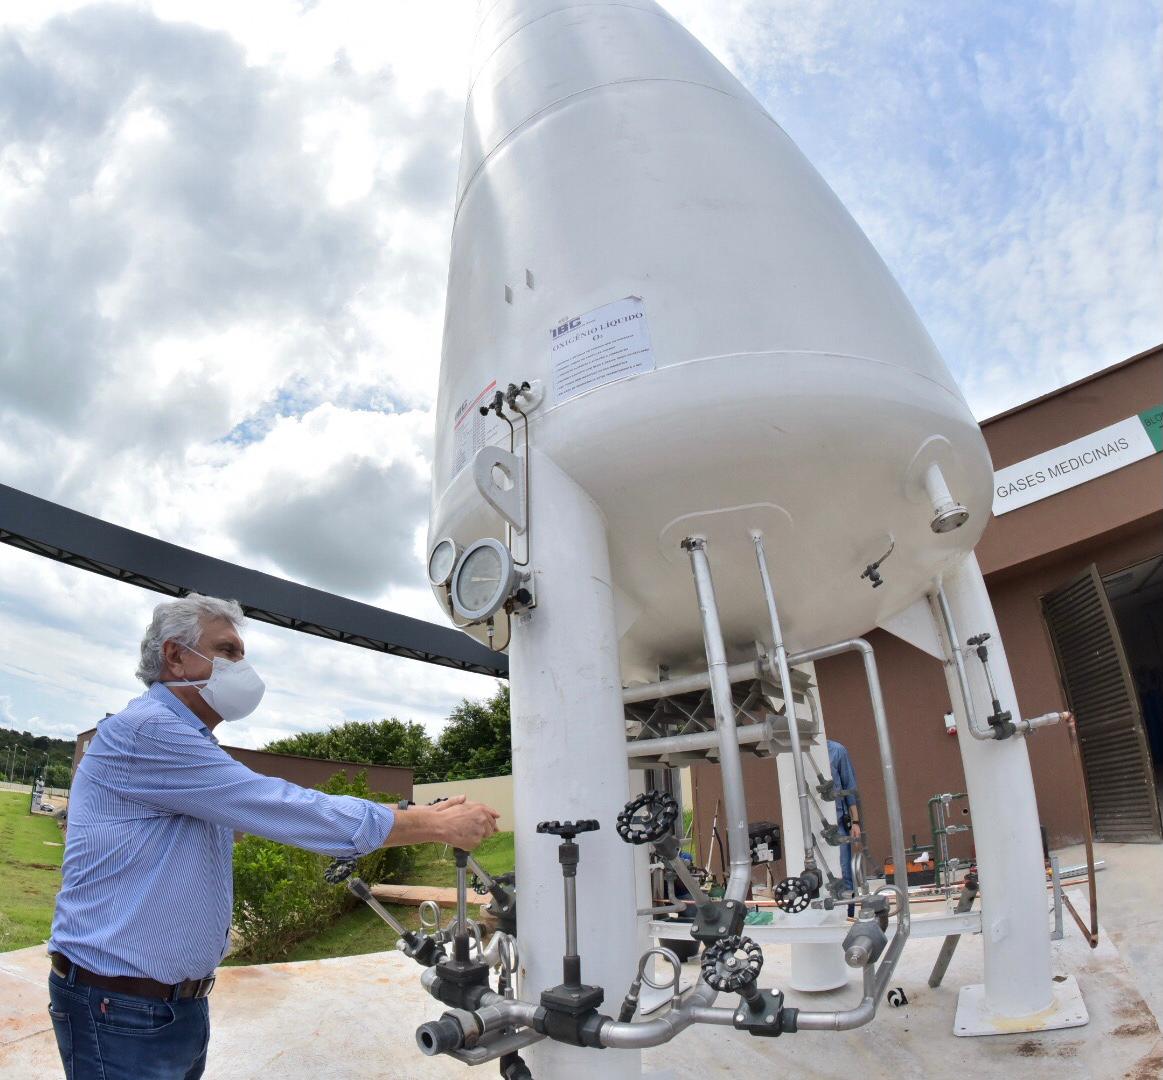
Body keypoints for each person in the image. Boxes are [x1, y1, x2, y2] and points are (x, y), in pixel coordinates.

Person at [47, 594, 500, 1080]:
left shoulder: (182, 744)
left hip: (162, 1004)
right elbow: (287, 808)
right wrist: (435, 826)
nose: (242, 667)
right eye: (228, 652)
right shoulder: (149, 733)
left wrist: (420, 812)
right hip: (120, 1008)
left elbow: (280, 807)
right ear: (176, 656)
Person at [827, 738, 861, 902]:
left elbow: (849, 786)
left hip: (838, 819)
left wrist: (855, 822)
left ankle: (850, 913)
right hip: (814, 822)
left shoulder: (837, 751)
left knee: (845, 871)